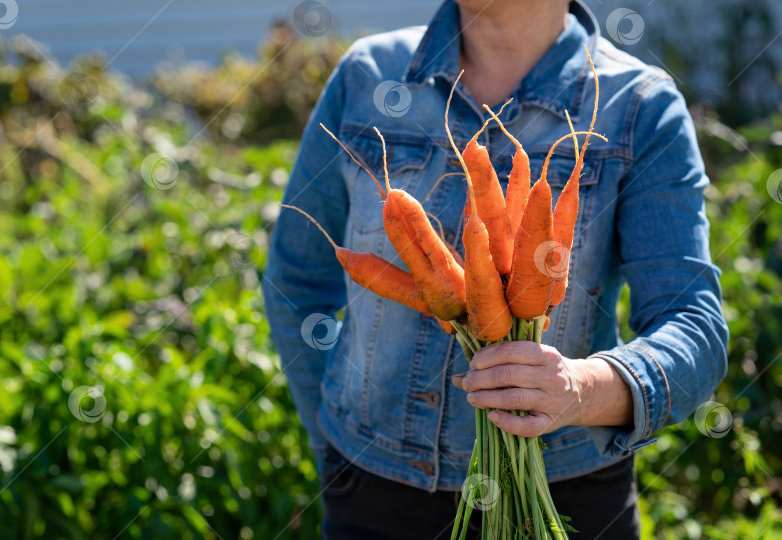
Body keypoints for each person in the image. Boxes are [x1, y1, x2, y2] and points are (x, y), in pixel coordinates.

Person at [263, 0, 729, 538]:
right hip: (373, 498)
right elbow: (295, 276)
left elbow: (694, 327)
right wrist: (332, 441)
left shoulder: (641, 105)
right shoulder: (368, 74)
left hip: (562, 499)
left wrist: (579, 388)